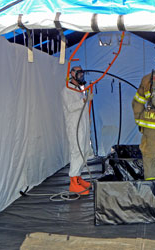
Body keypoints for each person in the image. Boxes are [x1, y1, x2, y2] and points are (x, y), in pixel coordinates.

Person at [61, 66, 94, 195]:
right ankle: (73, 182)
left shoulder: (78, 90)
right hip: (75, 127)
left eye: (82, 73)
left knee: (84, 151)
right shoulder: (67, 90)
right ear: (72, 74)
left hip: (83, 125)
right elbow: (70, 107)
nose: (81, 76)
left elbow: (82, 108)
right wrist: (84, 100)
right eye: (79, 73)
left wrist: (88, 120)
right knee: (77, 152)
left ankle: (78, 178)